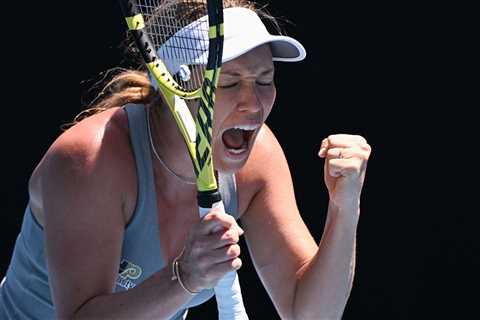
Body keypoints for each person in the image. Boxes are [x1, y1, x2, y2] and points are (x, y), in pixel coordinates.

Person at [0, 0, 372, 319]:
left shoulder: (259, 161)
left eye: (264, 80)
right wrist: (184, 278)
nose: (255, 104)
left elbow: (310, 312)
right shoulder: (89, 161)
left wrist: (345, 207)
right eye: (228, 83)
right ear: (176, 87)